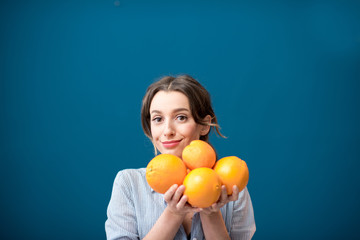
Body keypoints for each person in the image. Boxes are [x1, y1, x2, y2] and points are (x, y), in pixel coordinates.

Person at [105, 75, 256, 240]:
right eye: (158, 119)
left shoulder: (231, 186)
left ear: (204, 125)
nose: (167, 130)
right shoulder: (129, 184)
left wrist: (211, 213)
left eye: (181, 117)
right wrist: (173, 213)